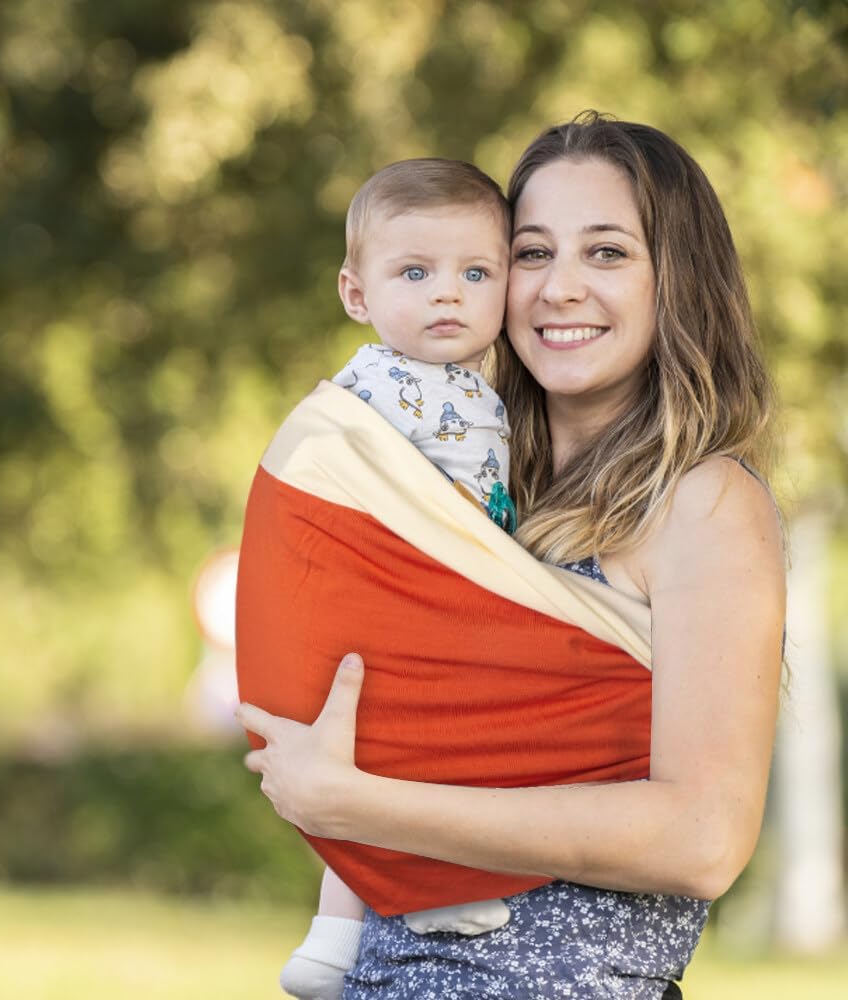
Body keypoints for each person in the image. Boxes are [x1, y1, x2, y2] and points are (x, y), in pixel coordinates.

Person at [238, 112, 786, 999]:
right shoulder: (460, 484)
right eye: (532, 253)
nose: (558, 289)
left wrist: (357, 805)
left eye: (605, 253)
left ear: (677, 281)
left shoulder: (701, 500)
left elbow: (703, 839)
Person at [281, 158, 518, 1000]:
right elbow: (319, 475)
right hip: (399, 604)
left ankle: (330, 939)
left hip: (462, 604)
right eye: (414, 273)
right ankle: (415, 901)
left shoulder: (488, 391)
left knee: (407, 766)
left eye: (475, 273)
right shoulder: (370, 385)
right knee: (408, 763)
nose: (446, 294)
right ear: (357, 294)